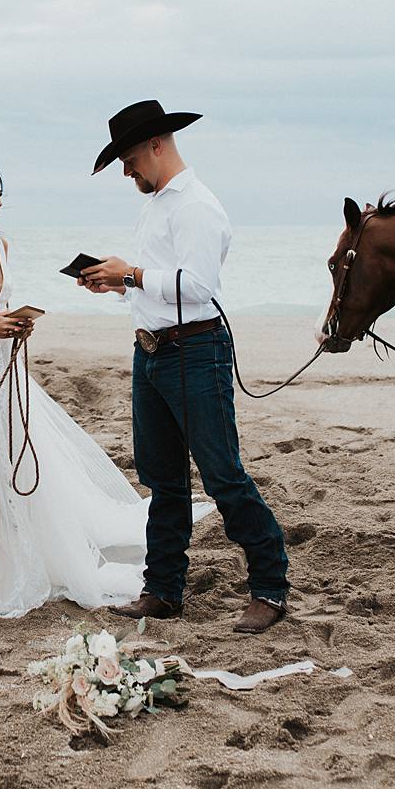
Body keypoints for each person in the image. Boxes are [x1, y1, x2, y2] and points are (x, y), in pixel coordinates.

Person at [0, 161, 213, 618]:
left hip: (1, 369)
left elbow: (0, 309)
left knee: (0, 480)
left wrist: (14, 327)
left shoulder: (2, 245)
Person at [80, 100, 290, 633]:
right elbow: (157, 283)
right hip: (151, 351)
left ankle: (269, 586)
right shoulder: (155, 205)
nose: (126, 171)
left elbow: (198, 287)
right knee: (162, 480)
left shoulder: (196, 204)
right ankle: (165, 589)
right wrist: (116, 281)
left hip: (196, 353)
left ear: (156, 144)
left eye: (128, 158)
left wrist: (133, 273)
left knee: (222, 475)